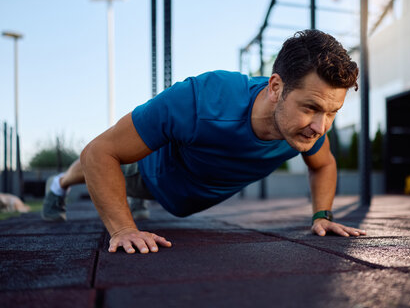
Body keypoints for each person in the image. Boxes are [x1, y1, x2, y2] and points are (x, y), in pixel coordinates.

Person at [41, 29, 367, 254]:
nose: (320, 127)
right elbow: (98, 152)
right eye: (311, 108)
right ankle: (58, 185)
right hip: (147, 172)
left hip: (185, 191)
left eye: (332, 112)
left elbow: (323, 164)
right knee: (92, 167)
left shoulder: (303, 130)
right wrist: (123, 230)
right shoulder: (200, 100)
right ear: (276, 88)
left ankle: (130, 203)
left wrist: (321, 215)